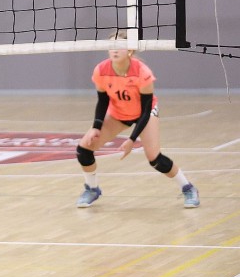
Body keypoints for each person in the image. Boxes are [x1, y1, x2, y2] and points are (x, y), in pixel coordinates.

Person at [76, 31, 200, 209]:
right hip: (119, 113)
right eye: (111, 46)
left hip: (145, 113)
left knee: (154, 158)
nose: (114, 50)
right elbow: (103, 100)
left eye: (119, 46)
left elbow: (146, 109)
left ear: (130, 50)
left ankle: (188, 188)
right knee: (84, 150)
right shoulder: (101, 70)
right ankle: (92, 189)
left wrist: (132, 139)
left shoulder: (142, 72)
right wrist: (96, 126)